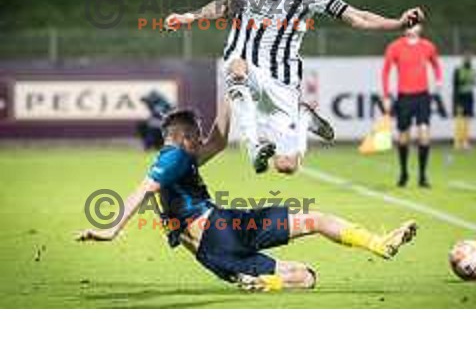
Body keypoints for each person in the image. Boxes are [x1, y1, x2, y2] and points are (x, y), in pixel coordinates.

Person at [165, 0, 424, 175]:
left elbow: (357, 17)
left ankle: (301, 119)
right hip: (243, 67)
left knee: (287, 166)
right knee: (232, 81)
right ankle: (244, 150)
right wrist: (190, 16)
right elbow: (227, 5)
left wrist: (398, 23)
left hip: (281, 79)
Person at [77, 106, 418, 292]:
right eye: (196, 136)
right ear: (182, 138)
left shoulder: (182, 158)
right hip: (224, 228)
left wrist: (232, 91)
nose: (201, 140)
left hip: (214, 257)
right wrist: (110, 229)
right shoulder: (173, 157)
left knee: (307, 277)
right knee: (316, 219)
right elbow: (142, 189)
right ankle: (379, 243)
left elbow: (219, 141)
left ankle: (262, 281)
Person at [381, 24, 442, 187]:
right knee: (403, 137)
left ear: (421, 27)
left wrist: (438, 80)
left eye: (414, 23)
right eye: (408, 23)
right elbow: (386, 71)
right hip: (404, 97)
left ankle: (422, 176)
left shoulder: (428, 46)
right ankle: (404, 173)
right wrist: (386, 95)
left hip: (423, 96)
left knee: (424, 132)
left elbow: (436, 64)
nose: (411, 27)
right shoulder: (395, 47)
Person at [452, 52, 476, 150]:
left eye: (469, 58)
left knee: (467, 121)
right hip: (459, 97)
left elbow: (472, 83)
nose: (468, 60)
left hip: (469, 97)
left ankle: (465, 142)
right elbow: (456, 84)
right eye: (466, 58)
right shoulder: (458, 70)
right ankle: (457, 142)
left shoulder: (472, 70)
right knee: (459, 120)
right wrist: (456, 100)